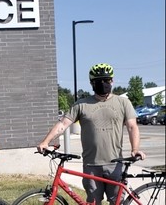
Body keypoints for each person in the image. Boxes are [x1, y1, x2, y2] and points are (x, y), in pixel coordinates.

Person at [37, 63, 146, 204]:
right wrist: (46, 141)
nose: (103, 83)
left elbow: (132, 127)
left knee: (117, 202)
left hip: (115, 164)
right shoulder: (81, 104)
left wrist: (135, 149)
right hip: (91, 165)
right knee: (93, 203)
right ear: (91, 83)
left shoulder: (123, 103)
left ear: (112, 81)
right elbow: (63, 125)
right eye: (98, 81)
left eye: (106, 80)